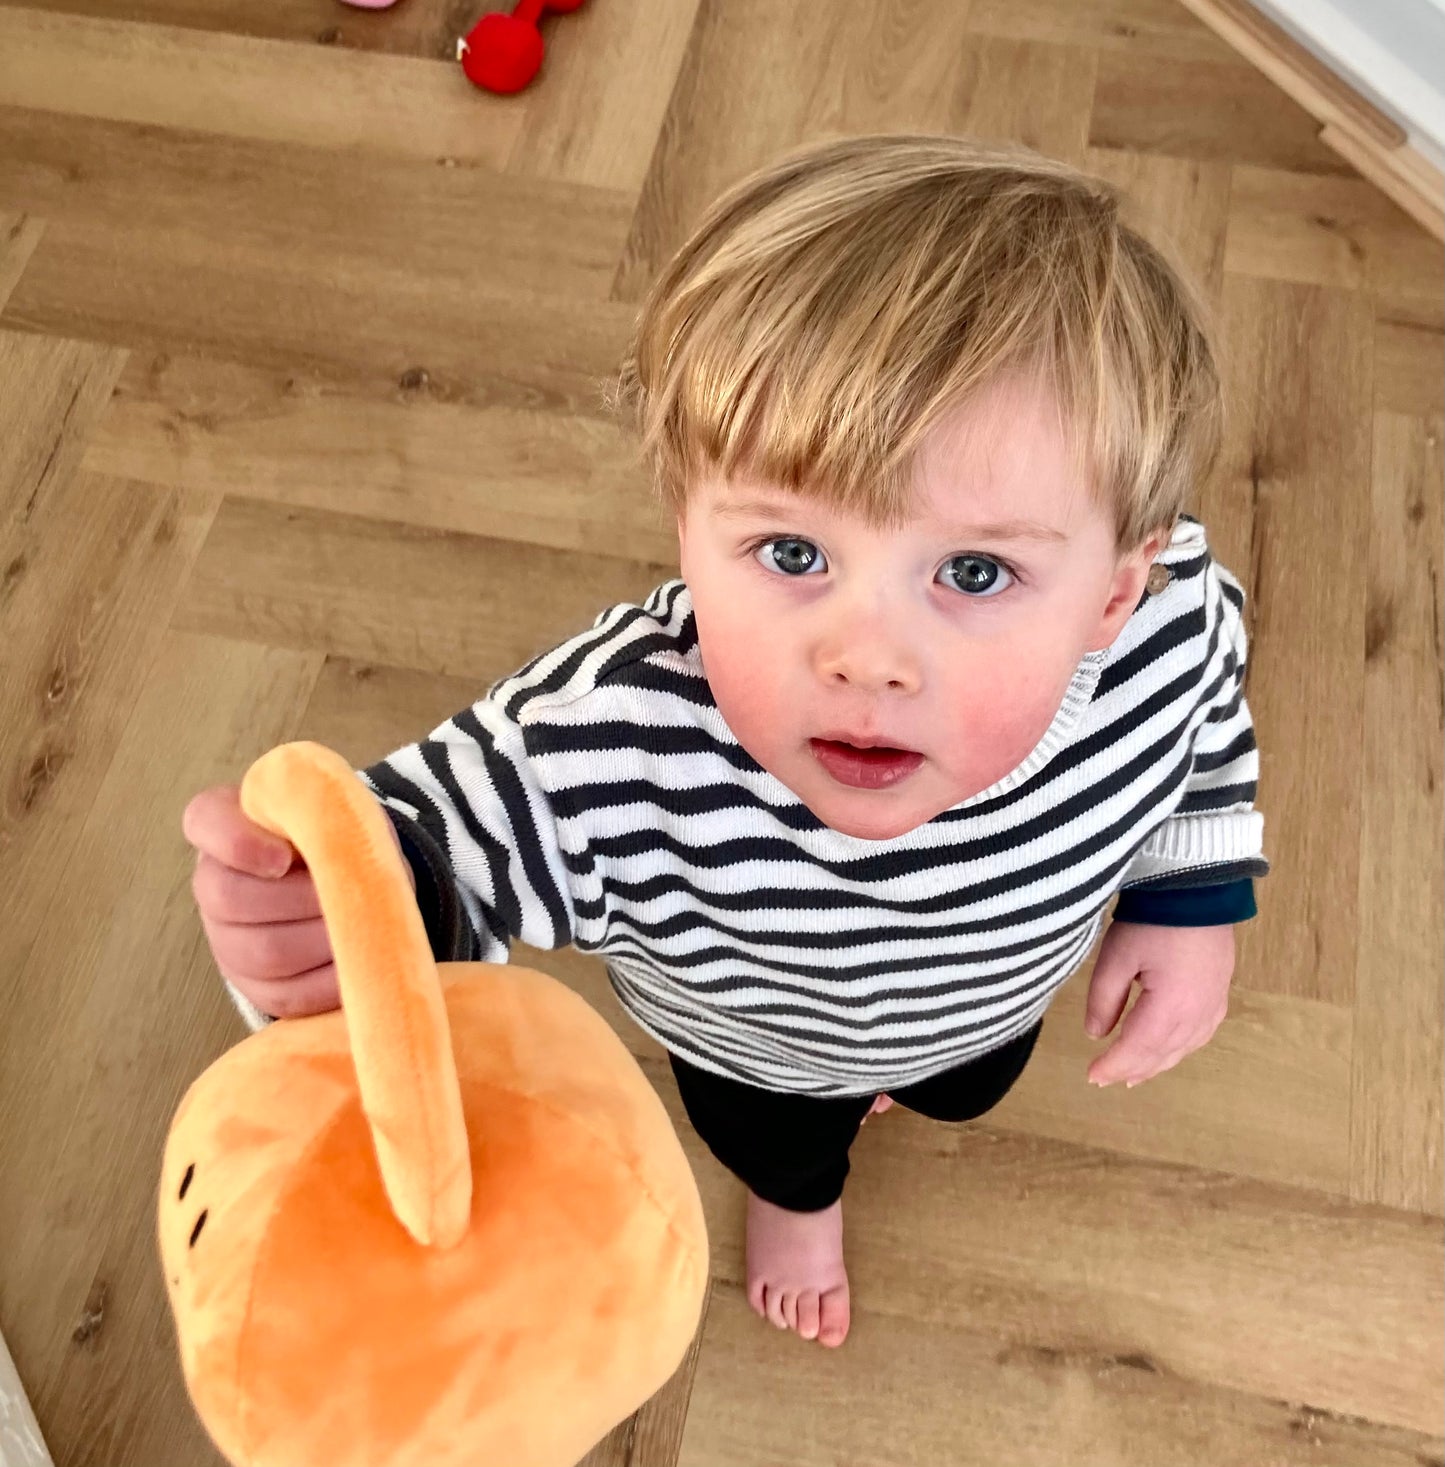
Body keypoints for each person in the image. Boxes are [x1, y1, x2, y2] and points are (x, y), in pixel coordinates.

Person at [183, 133, 1269, 1351]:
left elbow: (1206, 726)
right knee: (784, 1140)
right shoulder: (618, 737)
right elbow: (433, 845)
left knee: (963, 1083)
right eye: (792, 554)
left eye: (973, 571)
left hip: (999, 992)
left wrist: (1187, 901)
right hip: (754, 1046)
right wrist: (333, 915)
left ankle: (913, 1083)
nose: (865, 657)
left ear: (1115, 594)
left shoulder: (1169, 621)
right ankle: (795, 1202)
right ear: (684, 528)